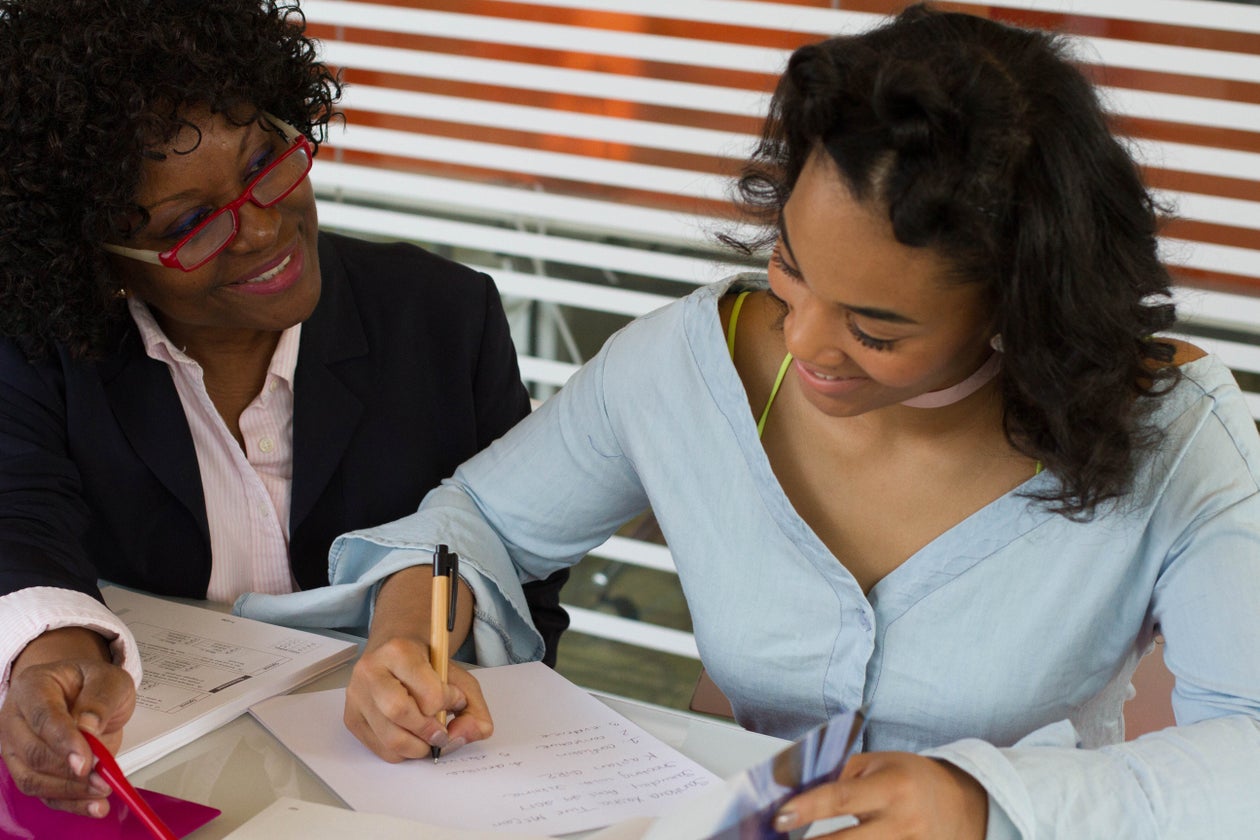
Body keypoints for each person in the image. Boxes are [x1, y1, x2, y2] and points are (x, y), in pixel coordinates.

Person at [258, 3, 1259, 837]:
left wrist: (983, 804)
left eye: (875, 327)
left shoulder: (1177, 435)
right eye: (790, 265)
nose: (806, 342)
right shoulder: (689, 368)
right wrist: (409, 633)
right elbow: (470, 519)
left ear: (1020, 306)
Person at [0, 0, 570, 819]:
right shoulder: (44, 350)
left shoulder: (441, 317)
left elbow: (523, 570)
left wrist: (440, 672)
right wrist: (51, 655)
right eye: (192, 225)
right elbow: (18, 517)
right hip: (158, 785)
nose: (264, 229)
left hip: (397, 791)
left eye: (266, 165)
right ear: (101, 264)